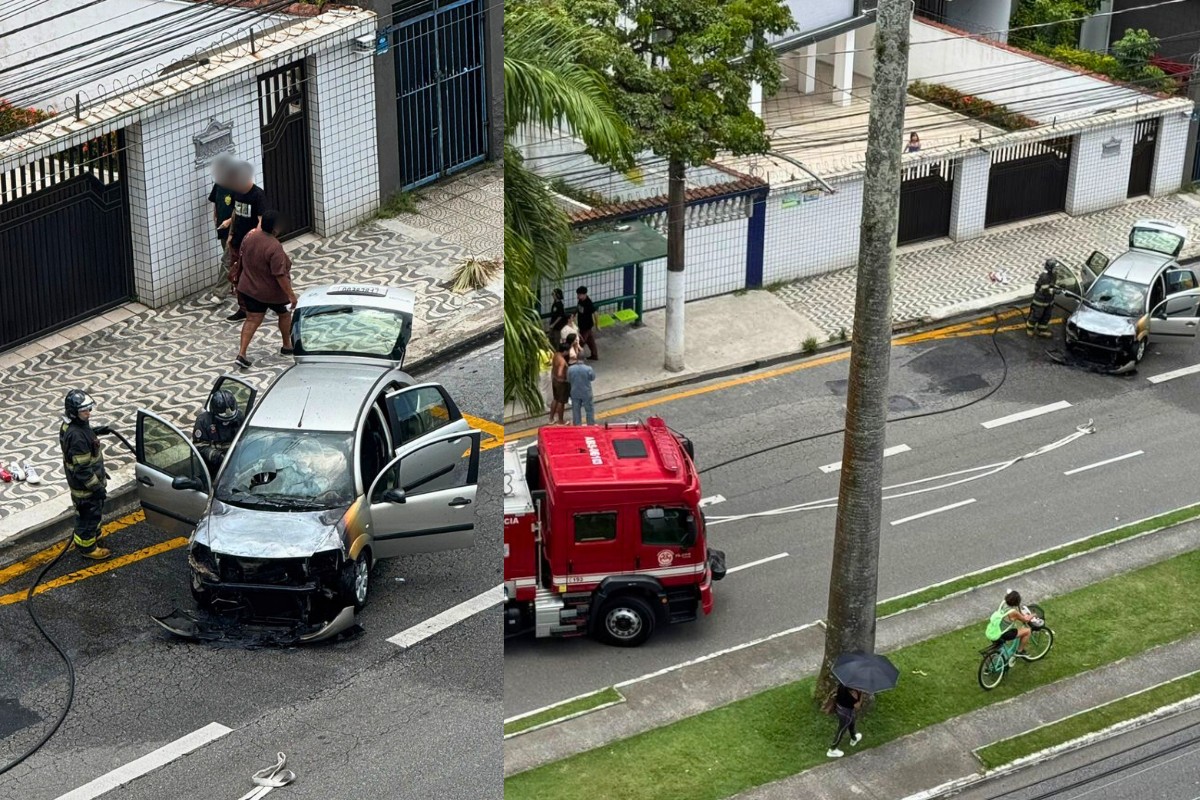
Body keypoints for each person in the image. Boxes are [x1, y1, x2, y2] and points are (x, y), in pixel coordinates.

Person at [234, 210, 299, 368]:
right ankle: (287, 345)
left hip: (248, 288)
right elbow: (280, 275)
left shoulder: (250, 236)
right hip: (273, 293)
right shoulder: (274, 247)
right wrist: (291, 296)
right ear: (276, 228)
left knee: (252, 319)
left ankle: (241, 353)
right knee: (284, 314)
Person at [59, 390, 112, 561]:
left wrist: (95, 431)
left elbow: (81, 435)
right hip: (86, 489)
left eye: (89, 409)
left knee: (93, 515)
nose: (88, 413)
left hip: (88, 484)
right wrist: (96, 488)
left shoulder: (74, 426)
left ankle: (94, 535)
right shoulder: (77, 437)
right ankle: (87, 547)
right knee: (88, 517)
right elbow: (82, 470)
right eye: (84, 411)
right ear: (74, 413)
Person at [221, 161, 268, 322]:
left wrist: (255, 242)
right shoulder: (236, 192)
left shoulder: (258, 195)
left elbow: (261, 221)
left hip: (251, 244)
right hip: (237, 242)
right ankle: (243, 308)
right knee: (238, 276)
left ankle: (267, 301)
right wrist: (230, 233)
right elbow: (236, 212)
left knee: (255, 274)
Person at [207, 154, 238, 305]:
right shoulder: (219, 185)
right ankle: (238, 284)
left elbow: (242, 210)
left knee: (227, 260)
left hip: (235, 229)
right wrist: (216, 216)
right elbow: (215, 202)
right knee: (233, 260)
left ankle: (219, 293)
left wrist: (229, 221)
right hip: (222, 229)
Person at [193, 389, 245, 475]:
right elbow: (200, 446)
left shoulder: (239, 417)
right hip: (213, 465)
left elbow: (244, 438)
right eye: (223, 420)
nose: (226, 423)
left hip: (236, 461)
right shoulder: (203, 421)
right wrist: (218, 457)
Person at [985, 589, 1035, 661]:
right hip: (1003, 633)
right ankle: (1020, 651)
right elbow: (1025, 620)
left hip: (995, 629)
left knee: (1001, 647)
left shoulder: (1003, 602)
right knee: (1027, 631)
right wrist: (1033, 614)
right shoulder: (1013, 612)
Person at [827, 682, 864, 758]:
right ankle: (832, 750)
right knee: (841, 730)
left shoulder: (843, 683)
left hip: (840, 708)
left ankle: (854, 738)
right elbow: (857, 706)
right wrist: (862, 695)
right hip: (846, 713)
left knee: (852, 722)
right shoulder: (853, 694)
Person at [1027, 259, 1058, 338]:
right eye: (1055, 267)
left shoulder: (1054, 275)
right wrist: (1054, 291)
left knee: (1046, 316)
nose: (1056, 269)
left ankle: (1042, 331)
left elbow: (1052, 285)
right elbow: (1044, 289)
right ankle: (1030, 329)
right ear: (1050, 268)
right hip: (1040, 301)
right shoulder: (1044, 276)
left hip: (1049, 301)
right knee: (1036, 315)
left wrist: (1059, 287)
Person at [567, 355, 596, 425]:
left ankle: (577, 425)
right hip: (586, 392)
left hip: (575, 392)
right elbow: (592, 378)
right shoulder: (588, 369)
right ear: (584, 359)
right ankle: (590, 424)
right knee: (589, 410)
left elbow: (568, 379)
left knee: (576, 410)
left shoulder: (570, 369)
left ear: (576, 359)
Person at [549, 342, 570, 425]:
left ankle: (551, 418)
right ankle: (560, 421)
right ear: (565, 351)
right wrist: (563, 377)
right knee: (561, 401)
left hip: (554, 380)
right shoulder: (562, 361)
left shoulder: (556, 355)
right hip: (561, 382)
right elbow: (560, 372)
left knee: (555, 399)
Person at [575, 286, 598, 360]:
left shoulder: (588, 303)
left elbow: (595, 313)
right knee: (590, 341)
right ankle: (594, 355)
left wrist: (597, 325)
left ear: (584, 294)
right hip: (583, 325)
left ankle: (576, 357)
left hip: (586, 326)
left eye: (579, 294)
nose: (578, 296)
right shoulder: (580, 301)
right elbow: (578, 308)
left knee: (580, 342)